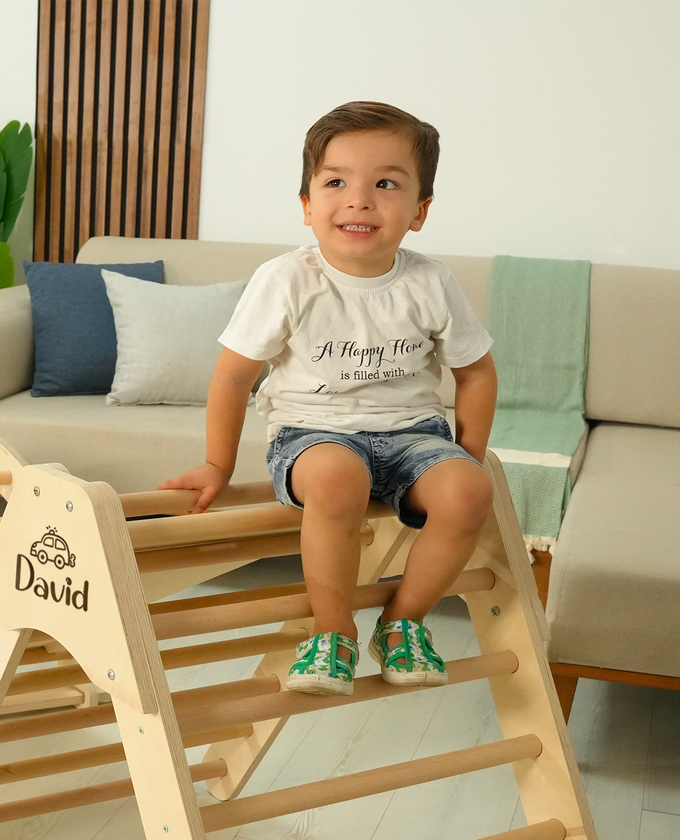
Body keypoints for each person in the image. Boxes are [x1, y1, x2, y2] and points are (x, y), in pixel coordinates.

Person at [159, 100, 498, 695]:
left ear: (419, 211)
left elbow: (477, 373)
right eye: (336, 181)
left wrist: (466, 453)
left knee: (470, 489)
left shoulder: (430, 281)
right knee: (340, 478)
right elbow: (234, 376)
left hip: (415, 435)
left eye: (386, 184)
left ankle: (401, 623)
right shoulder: (287, 279)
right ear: (308, 205)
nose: (359, 199)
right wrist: (217, 464)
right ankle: (333, 634)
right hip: (312, 436)